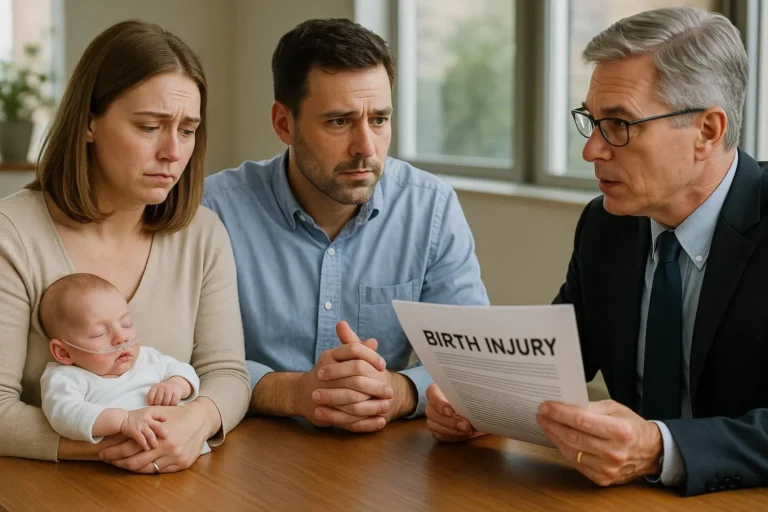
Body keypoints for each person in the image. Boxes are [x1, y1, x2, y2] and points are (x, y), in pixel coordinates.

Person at [425, 6, 768, 496]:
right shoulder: (604, 226)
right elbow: (556, 361)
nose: (592, 151)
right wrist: (482, 402)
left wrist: (660, 446)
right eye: (592, 121)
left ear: (707, 132)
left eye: (621, 125)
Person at [203, 18, 489, 433]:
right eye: (339, 121)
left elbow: (473, 359)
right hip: (245, 451)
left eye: (379, 119)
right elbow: (179, 357)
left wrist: (397, 391)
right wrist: (292, 392)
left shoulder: (431, 208)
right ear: (284, 123)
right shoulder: (216, 211)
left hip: (382, 459)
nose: (366, 148)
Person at [0, 20, 250, 473]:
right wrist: (121, 442)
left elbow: (228, 374)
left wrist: (197, 420)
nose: (173, 151)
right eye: (150, 126)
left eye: (188, 130)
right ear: (90, 123)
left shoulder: (203, 233)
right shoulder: (11, 236)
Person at [39, 273, 210, 455]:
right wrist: (123, 421)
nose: (121, 337)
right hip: (126, 470)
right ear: (64, 352)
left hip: (190, 451)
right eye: (99, 333)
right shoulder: (66, 378)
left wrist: (177, 384)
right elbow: (65, 415)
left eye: (126, 324)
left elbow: (183, 369)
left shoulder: (147, 357)